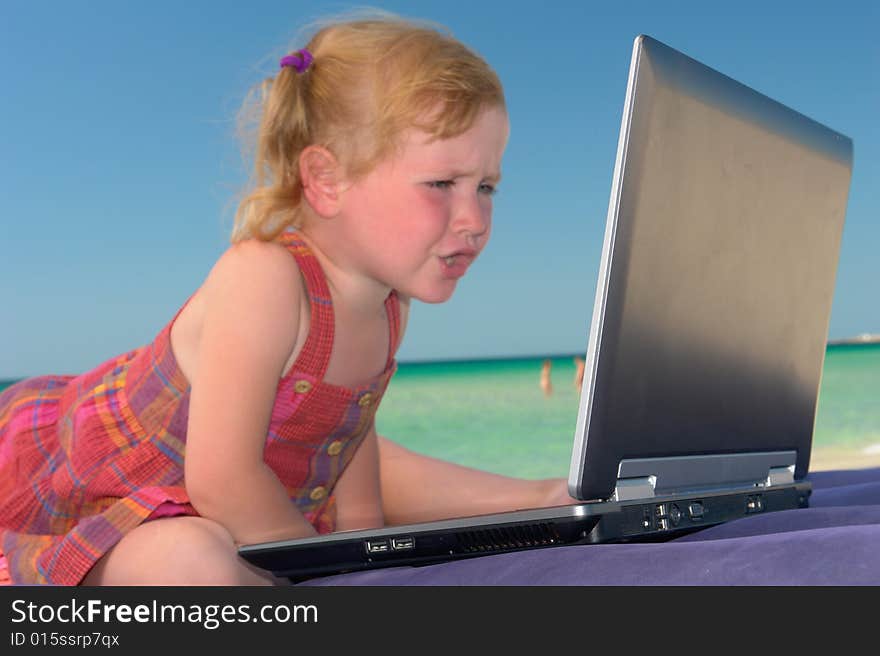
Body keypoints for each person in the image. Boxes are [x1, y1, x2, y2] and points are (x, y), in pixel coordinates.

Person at [0, 14, 575, 586]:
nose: (474, 220)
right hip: (72, 484)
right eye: (441, 185)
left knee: (205, 552)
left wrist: (367, 556)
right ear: (326, 181)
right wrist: (321, 575)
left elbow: (351, 439)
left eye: (486, 187)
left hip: (194, 511)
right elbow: (223, 480)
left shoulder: (389, 303)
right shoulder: (265, 278)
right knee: (195, 559)